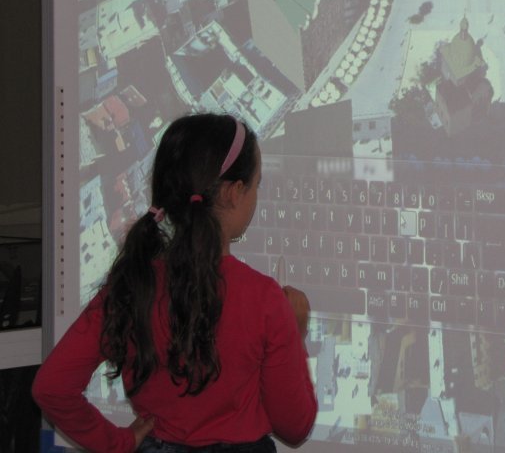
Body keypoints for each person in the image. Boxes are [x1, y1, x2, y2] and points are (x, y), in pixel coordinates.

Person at [32, 113, 318, 452]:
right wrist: (296, 331)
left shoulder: (131, 286)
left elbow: (51, 387)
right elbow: (294, 426)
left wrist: (118, 443)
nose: (257, 194)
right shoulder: (265, 300)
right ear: (234, 192)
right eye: (257, 184)